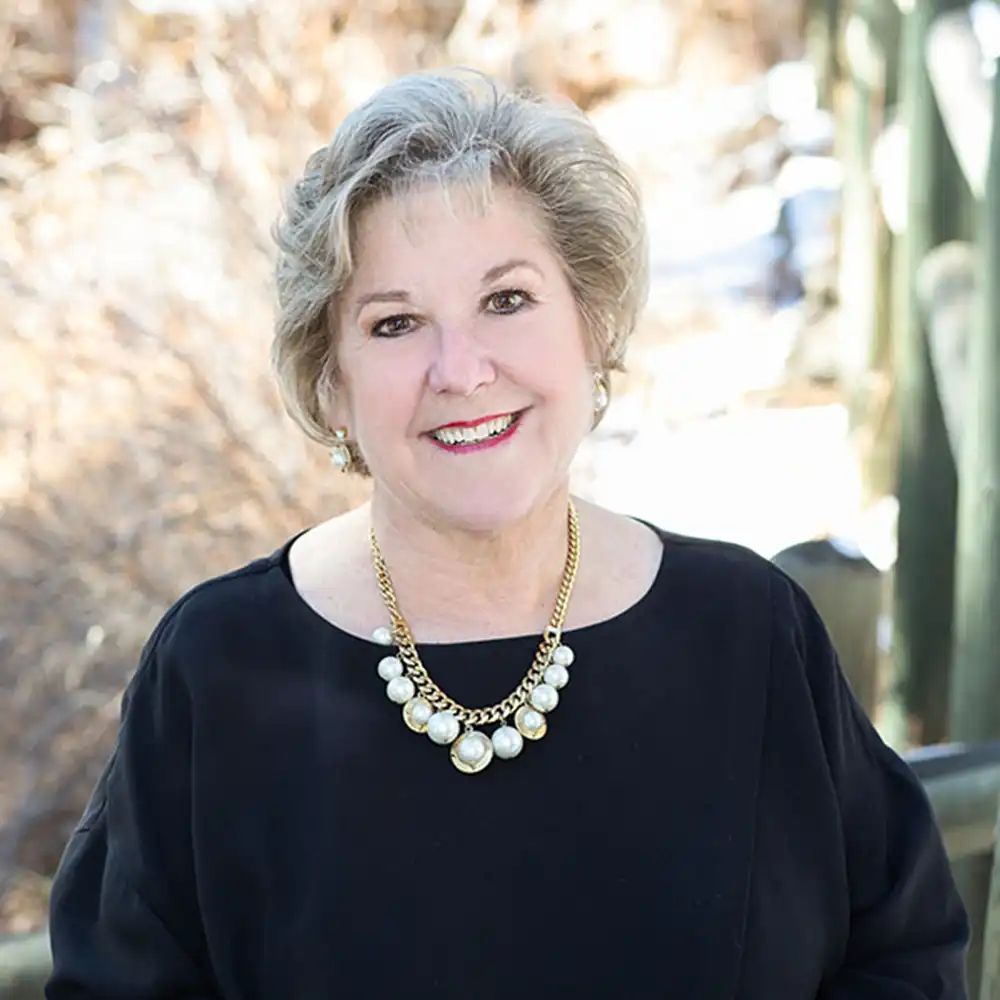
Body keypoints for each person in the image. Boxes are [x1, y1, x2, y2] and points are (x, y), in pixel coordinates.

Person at [45, 68, 969, 999]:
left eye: (507, 300)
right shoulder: (216, 669)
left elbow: (901, 948)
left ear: (591, 323)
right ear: (332, 384)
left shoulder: (748, 631)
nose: (461, 369)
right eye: (397, 322)